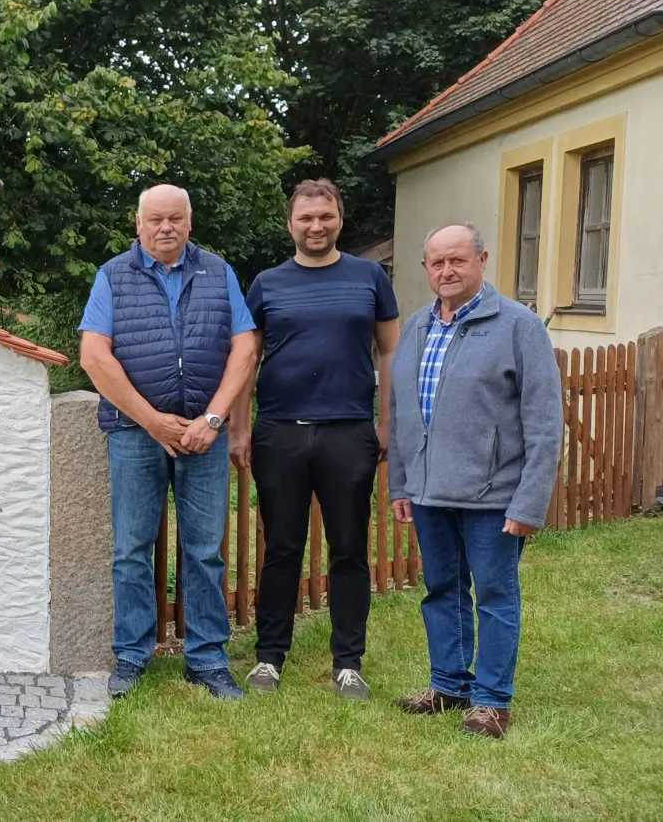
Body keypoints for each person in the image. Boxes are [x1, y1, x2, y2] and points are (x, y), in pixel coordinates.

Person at [79, 183, 259, 700]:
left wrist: (213, 418)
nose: (165, 228)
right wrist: (153, 420)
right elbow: (95, 357)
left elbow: (244, 349)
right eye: (155, 219)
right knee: (132, 549)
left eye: (175, 219)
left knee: (204, 550)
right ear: (138, 224)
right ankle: (132, 656)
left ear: (189, 220)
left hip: (205, 434)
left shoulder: (219, 272)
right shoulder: (113, 275)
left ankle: (206, 660)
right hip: (136, 434)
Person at [388, 223, 562, 738]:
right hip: (429, 493)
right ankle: (447, 685)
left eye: (458, 260)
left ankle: (490, 702)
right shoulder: (417, 327)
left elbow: (546, 423)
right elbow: (402, 415)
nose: (447, 270)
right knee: (441, 589)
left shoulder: (518, 327)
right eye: (437, 262)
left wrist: (529, 503)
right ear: (425, 269)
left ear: (482, 260)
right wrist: (402, 484)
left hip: (494, 496)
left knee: (494, 595)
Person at [231, 180, 400, 700]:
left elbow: (390, 353)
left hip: (349, 431)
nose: (316, 226)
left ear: (339, 220)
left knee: (349, 549)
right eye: (306, 218)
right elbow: (246, 356)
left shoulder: (370, 277)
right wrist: (239, 427)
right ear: (291, 224)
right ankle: (268, 658)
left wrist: (387, 423)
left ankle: (348, 662)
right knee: (281, 548)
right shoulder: (266, 283)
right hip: (279, 432)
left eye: (325, 216)